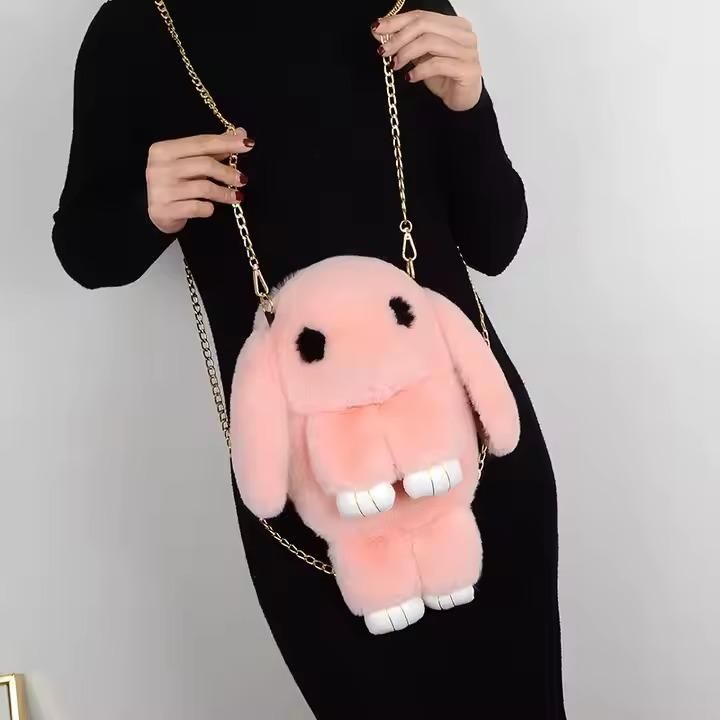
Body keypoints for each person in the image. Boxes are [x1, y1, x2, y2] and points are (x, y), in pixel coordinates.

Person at [52, 0, 566, 717]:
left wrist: (468, 105)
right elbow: (85, 250)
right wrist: (144, 208)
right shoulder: (138, 30)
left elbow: (496, 240)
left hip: (475, 459)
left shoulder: (401, 5)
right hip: (309, 501)